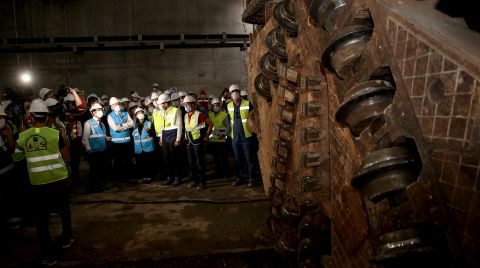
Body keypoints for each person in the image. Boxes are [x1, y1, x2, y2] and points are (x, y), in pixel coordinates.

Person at [17, 99, 74, 265]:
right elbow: (67, 157)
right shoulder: (55, 135)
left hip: (38, 184)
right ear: (47, 116)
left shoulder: (24, 137)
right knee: (64, 211)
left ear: (31, 117)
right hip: (59, 180)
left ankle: (48, 254)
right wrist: (65, 139)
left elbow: (17, 155)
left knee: (42, 220)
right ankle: (67, 237)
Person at [227, 84, 258, 187]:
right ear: (230, 95)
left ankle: (252, 179)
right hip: (235, 137)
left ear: (239, 93)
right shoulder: (228, 106)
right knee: (238, 159)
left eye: (236, 91)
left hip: (247, 136)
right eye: (233, 92)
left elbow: (254, 118)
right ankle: (239, 177)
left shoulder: (247, 103)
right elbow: (228, 121)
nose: (235, 94)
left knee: (249, 159)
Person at [183, 95, 213, 190]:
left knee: (199, 162)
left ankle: (202, 182)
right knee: (192, 163)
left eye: (188, 104)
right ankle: (195, 181)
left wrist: (207, 136)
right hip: (189, 142)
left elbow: (211, 124)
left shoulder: (199, 114)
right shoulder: (185, 115)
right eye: (185, 104)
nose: (187, 106)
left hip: (197, 142)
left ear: (193, 104)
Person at [82, 103, 110, 192]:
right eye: (98, 110)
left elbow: (101, 135)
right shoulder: (88, 123)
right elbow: (85, 138)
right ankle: (93, 186)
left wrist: (106, 138)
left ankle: (100, 185)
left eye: (101, 110)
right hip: (93, 151)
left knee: (101, 169)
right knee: (94, 170)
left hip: (102, 150)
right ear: (93, 112)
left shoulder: (102, 124)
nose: (100, 111)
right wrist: (88, 149)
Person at [157, 94, 183, 186]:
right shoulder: (161, 112)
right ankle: (169, 177)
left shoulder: (176, 110)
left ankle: (177, 177)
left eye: (161, 103)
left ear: (166, 102)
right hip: (165, 135)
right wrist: (161, 138)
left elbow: (180, 125)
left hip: (173, 134)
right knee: (166, 158)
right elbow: (161, 126)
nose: (159, 105)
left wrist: (178, 139)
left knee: (174, 157)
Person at [107, 97, 134, 181]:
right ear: (111, 106)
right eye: (115, 104)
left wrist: (121, 126)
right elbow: (115, 128)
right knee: (117, 161)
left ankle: (128, 177)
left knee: (128, 160)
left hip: (127, 141)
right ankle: (118, 178)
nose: (117, 105)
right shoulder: (110, 116)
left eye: (118, 104)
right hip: (116, 143)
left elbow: (132, 123)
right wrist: (126, 125)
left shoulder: (125, 113)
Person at [208, 98, 230, 180]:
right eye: (214, 105)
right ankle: (218, 173)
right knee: (216, 158)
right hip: (213, 140)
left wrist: (224, 134)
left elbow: (228, 126)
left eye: (217, 105)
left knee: (223, 158)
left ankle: (226, 174)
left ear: (220, 105)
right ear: (212, 106)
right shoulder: (209, 114)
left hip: (222, 140)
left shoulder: (224, 115)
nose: (216, 106)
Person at [132, 108, 156, 183]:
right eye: (138, 113)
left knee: (148, 163)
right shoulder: (135, 126)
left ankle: (149, 177)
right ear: (136, 115)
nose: (140, 114)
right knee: (141, 163)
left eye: (141, 112)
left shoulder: (149, 123)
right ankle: (143, 176)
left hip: (148, 147)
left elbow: (154, 135)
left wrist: (150, 131)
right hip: (139, 148)